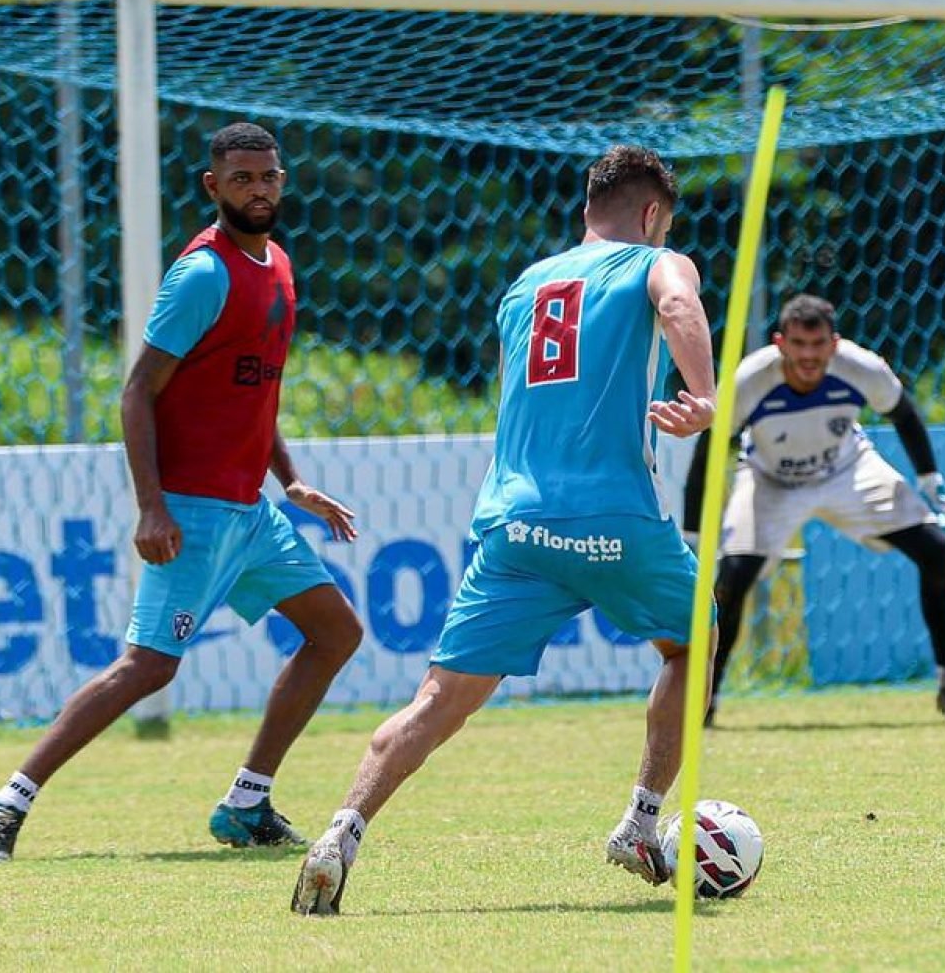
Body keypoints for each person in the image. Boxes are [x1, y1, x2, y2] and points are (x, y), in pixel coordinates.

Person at [290, 145, 717, 916]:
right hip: (614, 516)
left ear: (589, 209)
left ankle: (340, 834)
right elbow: (679, 304)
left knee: (438, 698)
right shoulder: (657, 262)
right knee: (694, 640)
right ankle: (640, 823)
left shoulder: (526, 285)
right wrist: (705, 395)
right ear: (653, 215)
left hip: (516, 522)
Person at [0, 122, 363, 863]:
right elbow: (137, 393)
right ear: (213, 186)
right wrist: (151, 505)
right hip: (194, 509)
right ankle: (7, 798)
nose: (258, 189)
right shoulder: (203, 275)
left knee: (336, 633)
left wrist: (294, 481)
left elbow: (253, 395)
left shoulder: (277, 264)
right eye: (241, 178)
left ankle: (246, 803)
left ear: (283, 180)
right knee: (148, 667)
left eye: (268, 176)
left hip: (252, 512)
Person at [682, 293, 945, 727]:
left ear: (833, 344)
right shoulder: (750, 379)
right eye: (799, 344)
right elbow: (708, 451)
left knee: (935, 550)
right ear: (781, 343)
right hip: (769, 480)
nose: (809, 356)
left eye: (818, 345)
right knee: (732, 578)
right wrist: (693, 537)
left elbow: (905, 415)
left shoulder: (861, 367)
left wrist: (933, 486)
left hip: (846, 469)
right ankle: (705, 701)